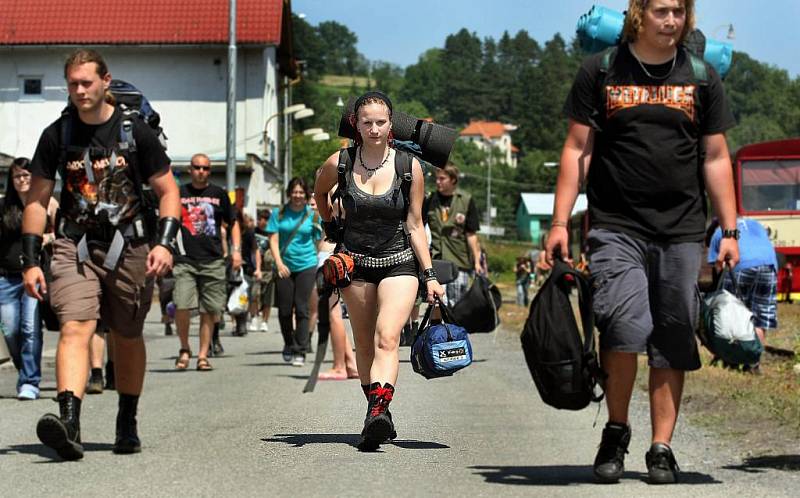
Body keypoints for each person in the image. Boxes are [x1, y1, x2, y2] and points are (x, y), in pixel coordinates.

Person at [547, 0, 739, 484]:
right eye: (661, 11)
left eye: (678, 11)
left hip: (682, 229)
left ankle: (661, 448)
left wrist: (731, 229)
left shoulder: (701, 77)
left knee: (673, 336)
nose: (671, 20)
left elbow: (716, 157)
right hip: (615, 225)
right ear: (639, 14)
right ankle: (616, 430)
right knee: (621, 324)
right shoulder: (603, 71)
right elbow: (577, 149)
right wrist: (557, 222)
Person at [23, 48, 180, 460]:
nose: (79, 90)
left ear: (105, 81)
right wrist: (28, 261)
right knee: (76, 325)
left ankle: (126, 421)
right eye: (73, 84)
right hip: (75, 246)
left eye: (86, 82)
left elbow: (168, 191)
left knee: (126, 335)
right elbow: (38, 201)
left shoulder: (135, 133)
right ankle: (69, 423)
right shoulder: (58, 134)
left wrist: (163, 242)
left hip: (131, 246)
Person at [314, 91, 444, 451]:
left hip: (399, 261)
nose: (374, 129)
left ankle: (378, 412)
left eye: (381, 122)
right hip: (355, 264)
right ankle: (378, 412)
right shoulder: (339, 162)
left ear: (391, 124)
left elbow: (416, 225)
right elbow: (319, 194)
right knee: (364, 343)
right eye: (367, 122)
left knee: (387, 336)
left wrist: (430, 275)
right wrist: (332, 227)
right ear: (356, 124)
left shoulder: (408, 166)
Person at [173, 153, 241, 371]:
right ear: (190, 169)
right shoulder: (178, 193)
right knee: (182, 304)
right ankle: (184, 349)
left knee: (209, 309)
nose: (201, 171)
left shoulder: (218, 194)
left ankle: (203, 355)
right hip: (184, 259)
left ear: (209, 171)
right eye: (197, 167)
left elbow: (233, 222)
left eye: (205, 168)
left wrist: (236, 250)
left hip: (213, 260)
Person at [0, 157, 57, 400]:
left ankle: (29, 382)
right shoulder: (3, 207)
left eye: (26, 175)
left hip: (35, 276)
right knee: (11, 331)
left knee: (30, 329)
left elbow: (62, 233)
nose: (22, 180)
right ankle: (26, 370)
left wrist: (48, 238)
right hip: (6, 278)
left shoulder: (47, 203)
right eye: (17, 176)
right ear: (11, 181)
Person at [708, 217, 777, 365]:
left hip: (741, 266)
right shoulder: (755, 224)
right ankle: (753, 361)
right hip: (769, 266)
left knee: (732, 314)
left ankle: (730, 358)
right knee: (760, 317)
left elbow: (717, 266)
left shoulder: (720, 231)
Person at [267, 177, 321, 366]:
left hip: (307, 264)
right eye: (294, 192)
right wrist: (279, 263)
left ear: (305, 194)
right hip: (284, 266)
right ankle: (289, 344)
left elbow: (319, 238)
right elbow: (272, 239)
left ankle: (301, 349)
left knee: (301, 307)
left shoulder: (313, 215)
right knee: (283, 310)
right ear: (289, 193)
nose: (297, 196)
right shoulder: (279, 214)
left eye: (301, 192)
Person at [424, 162, 482, 306]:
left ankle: (454, 329)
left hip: (458, 260)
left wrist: (477, 261)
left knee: (456, 304)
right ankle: (438, 329)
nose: (438, 182)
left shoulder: (466, 201)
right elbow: (419, 226)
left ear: (453, 180)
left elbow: (471, 234)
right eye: (437, 178)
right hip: (436, 260)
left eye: (442, 179)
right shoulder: (430, 200)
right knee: (437, 304)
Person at [253, 209, 274, 332]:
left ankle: (265, 321)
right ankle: (255, 316)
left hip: (268, 269)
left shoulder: (272, 233)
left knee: (267, 298)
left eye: (265, 220)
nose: (262, 222)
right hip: (255, 268)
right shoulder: (253, 232)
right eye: (260, 219)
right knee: (254, 294)